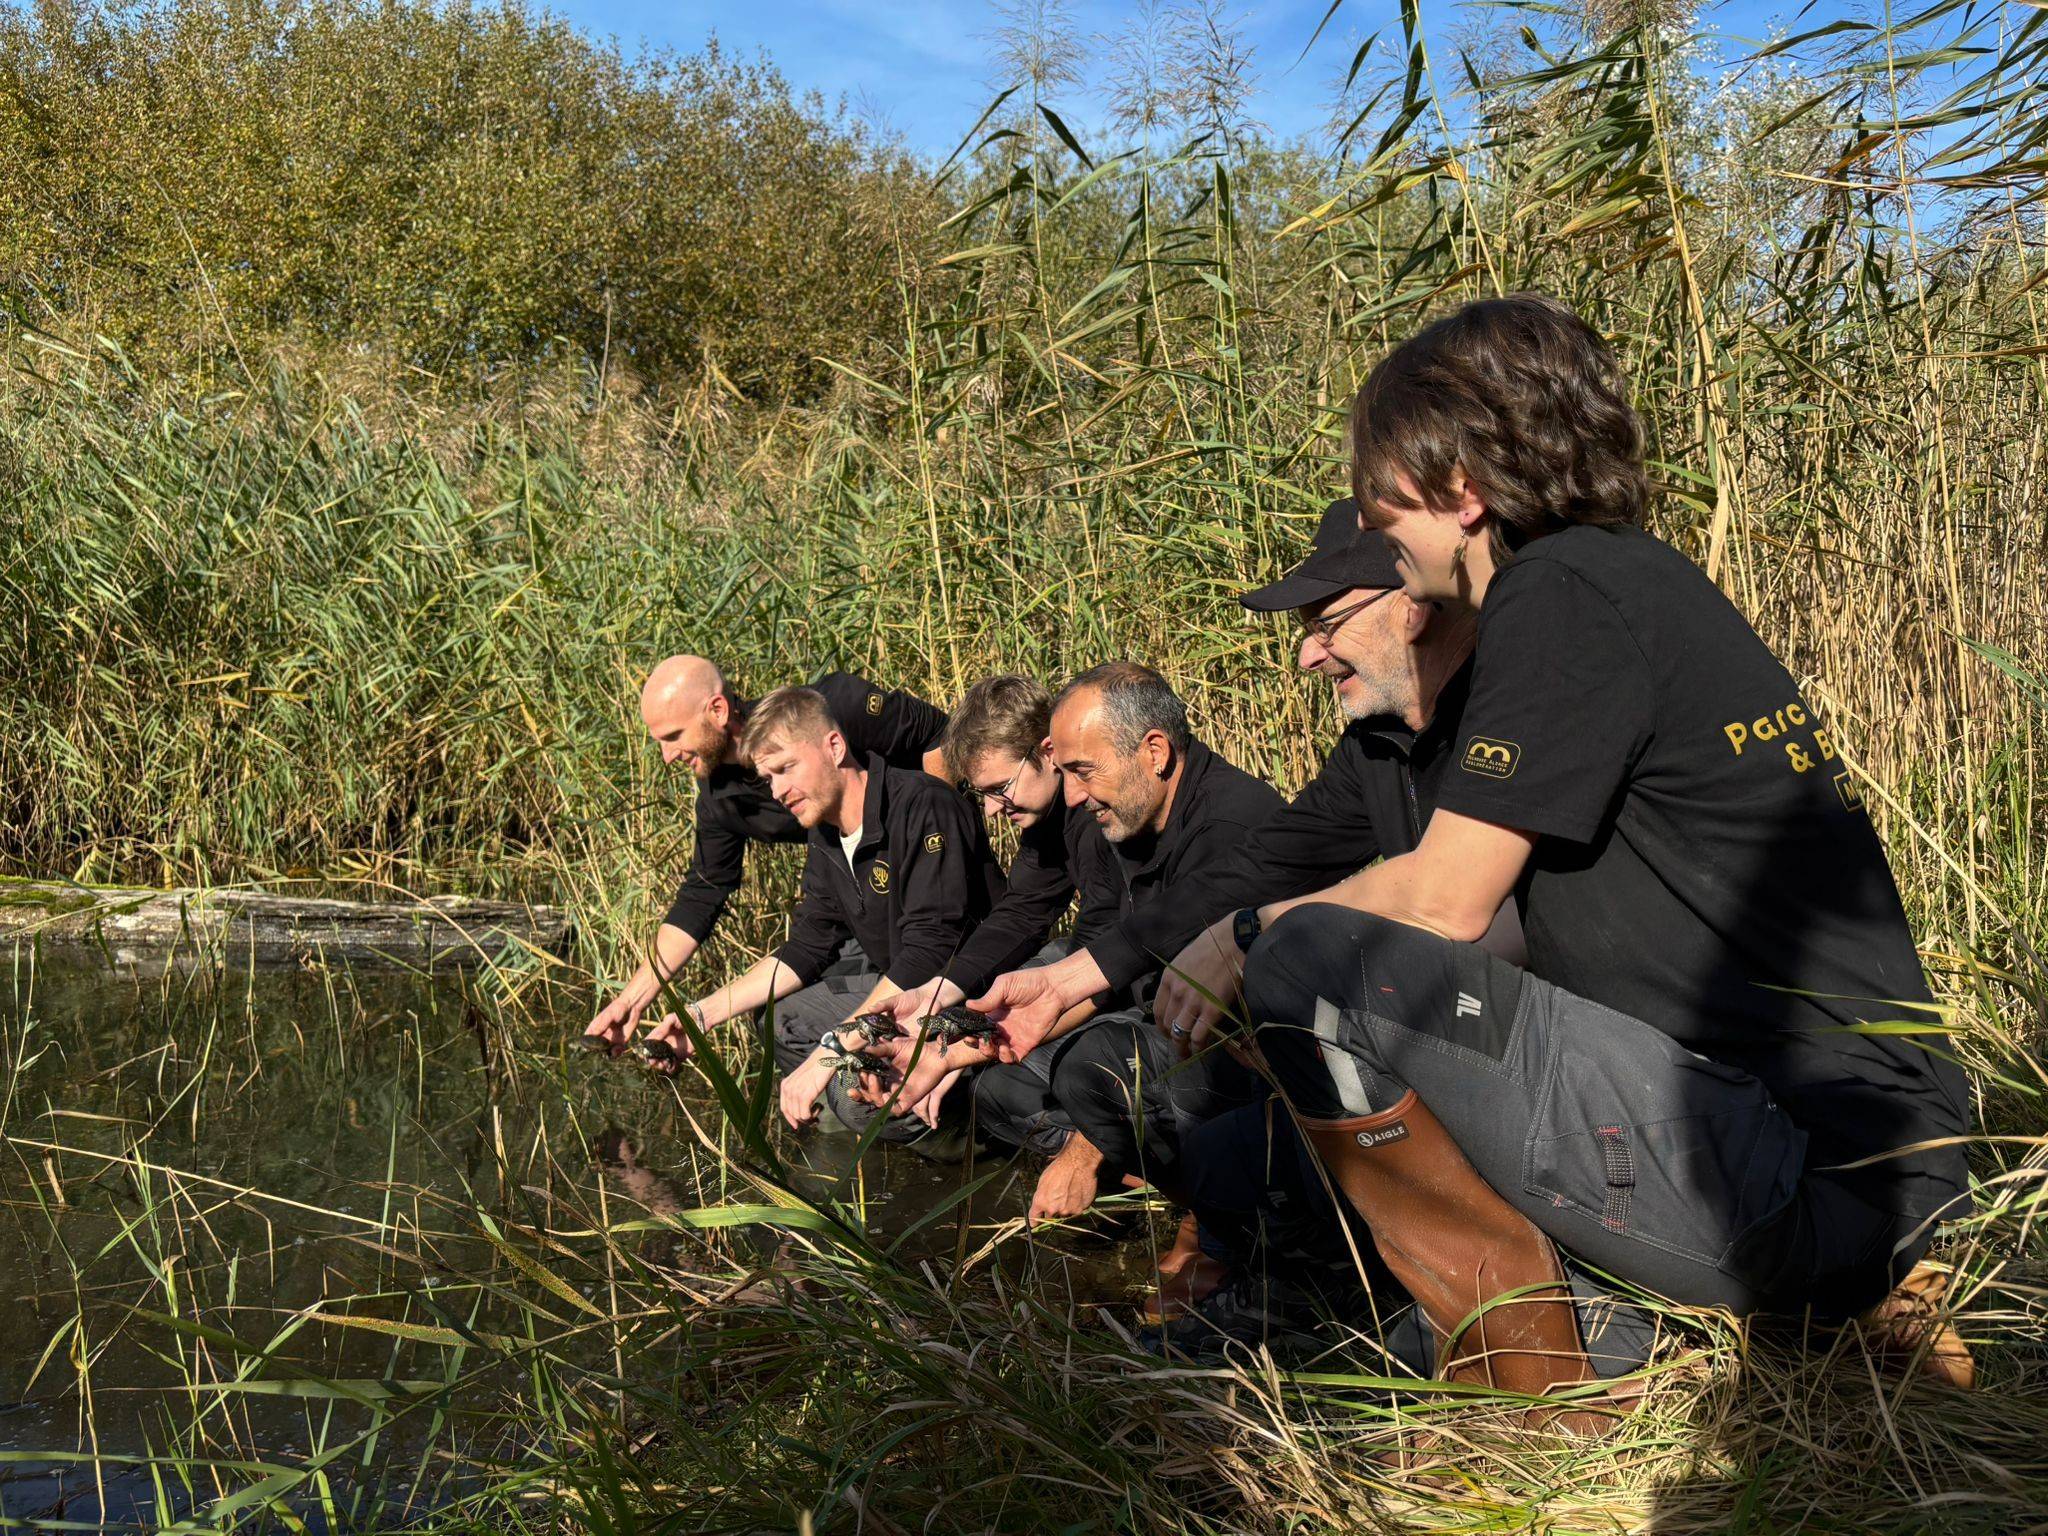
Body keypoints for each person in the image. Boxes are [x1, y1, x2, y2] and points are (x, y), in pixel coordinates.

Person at [1229, 293, 1972, 1425]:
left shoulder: (1560, 594)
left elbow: (1440, 903)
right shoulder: (1631, 583)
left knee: (1311, 966)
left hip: (1807, 1166)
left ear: (1459, 489)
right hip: (1860, 1149)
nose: (1378, 528)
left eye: (1383, 496)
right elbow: (1518, 934)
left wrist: (1249, 937)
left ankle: (1538, 1389)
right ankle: (1628, 1328)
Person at [888, 664, 1283, 1223]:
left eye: (1082, 771)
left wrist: (1083, 1150)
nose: (1074, 796)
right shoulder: (1131, 816)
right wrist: (942, 1022)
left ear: (1153, 752)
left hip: (1248, 1050)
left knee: (1091, 1068)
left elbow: (1167, 999)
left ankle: (1222, 1224)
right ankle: (1168, 1190)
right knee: (1003, 1086)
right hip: (1162, 1014)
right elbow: (1042, 921)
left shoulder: (1224, 831)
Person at [633, 686, 1002, 1145]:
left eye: (787, 768)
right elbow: (808, 947)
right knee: (780, 1015)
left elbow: (929, 954)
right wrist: (698, 1017)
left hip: (969, 1000)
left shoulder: (924, 804)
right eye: (768, 777)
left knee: (848, 1091)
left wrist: (829, 1054)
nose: (779, 791)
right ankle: (882, 1122)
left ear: (834, 746)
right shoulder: (826, 835)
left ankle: (975, 1143)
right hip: (903, 995)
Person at [582, 657, 948, 1053]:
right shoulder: (720, 800)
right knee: (779, 1018)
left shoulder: (828, 712)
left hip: (934, 892)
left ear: (718, 710)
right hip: (862, 907)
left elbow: (937, 733)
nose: (667, 757)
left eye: (673, 736)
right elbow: (700, 897)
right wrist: (631, 1001)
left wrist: (925, 843)